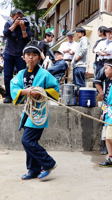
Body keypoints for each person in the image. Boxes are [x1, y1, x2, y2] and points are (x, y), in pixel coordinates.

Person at [10, 41, 59, 180]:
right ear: (23, 57)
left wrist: (41, 92)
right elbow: (14, 88)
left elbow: (55, 89)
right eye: (28, 55)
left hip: (39, 112)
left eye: (34, 55)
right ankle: (33, 169)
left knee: (27, 141)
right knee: (30, 142)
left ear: (39, 57)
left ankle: (48, 163)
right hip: (28, 112)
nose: (31, 57)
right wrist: (24, 92)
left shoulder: (44, 74)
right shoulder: (20, 74)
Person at [3, 9, 31, 103]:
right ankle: (8, 96)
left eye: (20, 16)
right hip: (9, 53)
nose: (19, 18)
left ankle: (20, 96)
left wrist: (23, 28)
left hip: (20, 54)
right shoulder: (8, 23)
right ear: (12, 16)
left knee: (21, 75)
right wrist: (14, 25)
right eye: (17, 16)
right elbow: (6, 34)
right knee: (7, 75)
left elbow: (27, 40)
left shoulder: (26, 24)